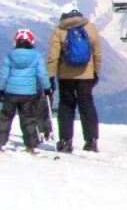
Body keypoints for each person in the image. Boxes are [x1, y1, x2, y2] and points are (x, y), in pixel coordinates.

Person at [47, 8, 101, 154]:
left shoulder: (59, 30)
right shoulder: (90, 28)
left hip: (65, 76)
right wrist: (95, 71)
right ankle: (91, 141)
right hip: (86, 75)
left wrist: (50, 76)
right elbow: (97, 52)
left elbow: (53, 56)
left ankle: (65, 141)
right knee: (87, 105)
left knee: (66, 106)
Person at [1, 30, 52, 154]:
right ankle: (31, 145)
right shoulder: (36, 56)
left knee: (5, 117)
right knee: (28, 118)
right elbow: (42, 74)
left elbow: (3, 75)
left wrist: (1, 89)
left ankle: (1, 142)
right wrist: (47, 88)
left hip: (10, 92)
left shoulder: (10, 55)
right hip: (28, 93)